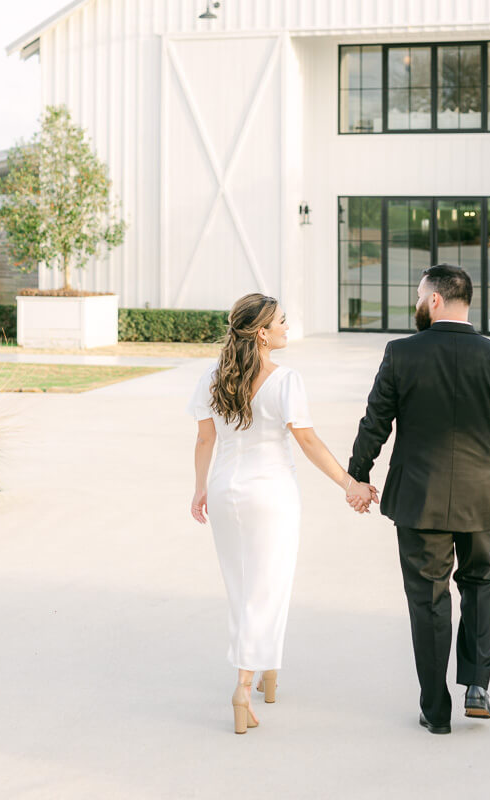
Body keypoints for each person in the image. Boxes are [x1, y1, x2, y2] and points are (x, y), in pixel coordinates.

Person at [346, 263, 490, 734]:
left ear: (435, 300)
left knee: (428, 599)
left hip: (419, 499)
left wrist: (357, 476)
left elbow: (375, 420)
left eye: (419, 295)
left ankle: (435, 708)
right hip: (482, 497)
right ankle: (477, 686)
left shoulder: (401, 353)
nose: (417, 302)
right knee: (479, 583)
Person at [188, 292, 376, 734]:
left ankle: (267, 672)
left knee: (241, 587)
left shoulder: (213, 378)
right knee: (267, 588)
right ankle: (245, 684)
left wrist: (200, 490)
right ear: (262, 333)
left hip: (224, 490)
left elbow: (204, 441)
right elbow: (307, 442)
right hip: (270, 494)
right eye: (282, 323)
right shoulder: (286, 379)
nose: (287, 329)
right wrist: (351, 485)